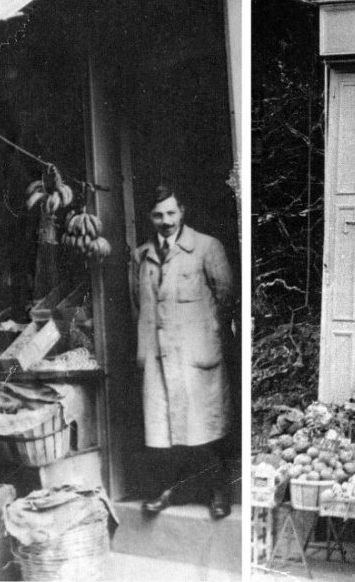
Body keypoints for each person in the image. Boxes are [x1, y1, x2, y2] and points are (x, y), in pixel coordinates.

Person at [134, 183, 235, 519]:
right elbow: (139, 306)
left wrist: (205, 332)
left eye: (171, 213)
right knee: (164, 431)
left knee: (205, 426)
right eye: (158, 215)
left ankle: (218, 492)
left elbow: (226, 297)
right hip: (159, 357)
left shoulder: (207, 247)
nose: (165, 221)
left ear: (183, 212)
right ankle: (166, 492)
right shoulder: (141, 256)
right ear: (150, 217)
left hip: (196, 354)